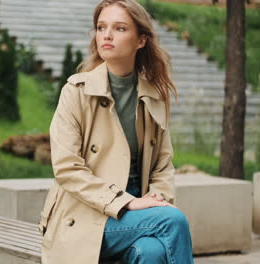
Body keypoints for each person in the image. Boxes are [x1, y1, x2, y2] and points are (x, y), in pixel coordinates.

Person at [38, 0, 194, 263]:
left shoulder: (154, 95)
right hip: (85, 213)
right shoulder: (76, 92)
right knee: (172, 220)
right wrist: (125, 202)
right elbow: (67, 168)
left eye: (120, 28)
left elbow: (162, 165)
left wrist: (157, 197)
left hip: (139, 209)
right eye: (101, 27)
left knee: (150, 253)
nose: (106, 35)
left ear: (141, 40)